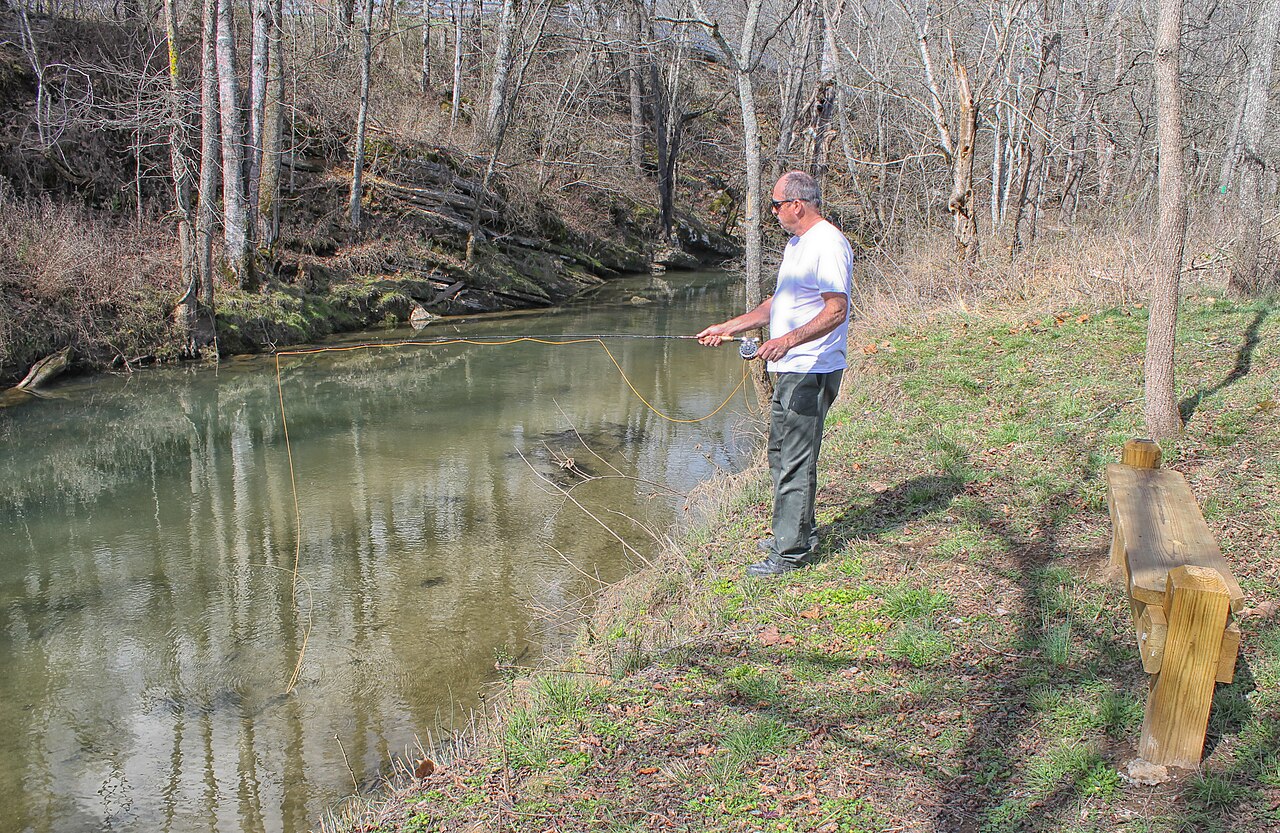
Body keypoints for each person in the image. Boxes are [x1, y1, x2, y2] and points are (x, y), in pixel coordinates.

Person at [697, 171, 853, 576]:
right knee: (781, 455)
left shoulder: (828, 244)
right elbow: (776, 303)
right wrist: (730, 327)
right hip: (790, 368)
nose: (773, 212)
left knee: (796, 460)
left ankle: (790, 553)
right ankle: (797, 530)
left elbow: (837, 309)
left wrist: (788, 342)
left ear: (797, 204)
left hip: (811, 369)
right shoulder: (797, 245)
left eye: (776, 205)